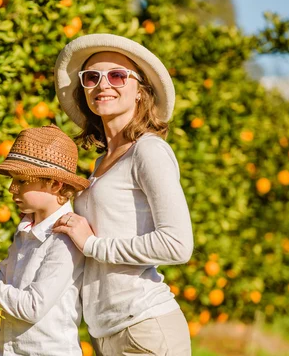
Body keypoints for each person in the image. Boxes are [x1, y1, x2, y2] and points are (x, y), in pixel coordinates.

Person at [52, 33, 194, 356]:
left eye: (117, 75)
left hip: (145, 328)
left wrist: (93, 245)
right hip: (104, 334)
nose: (103, 84)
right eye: (92, 77)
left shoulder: (148, 151)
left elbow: (178, 244)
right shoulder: (101, 162)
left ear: (140, 92)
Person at [0, 125, 90, 356]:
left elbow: (32, 307)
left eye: (21, 181)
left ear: (55, 184)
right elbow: (6, 281)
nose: (11, 188)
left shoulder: (65, 238)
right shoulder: (26, 229)